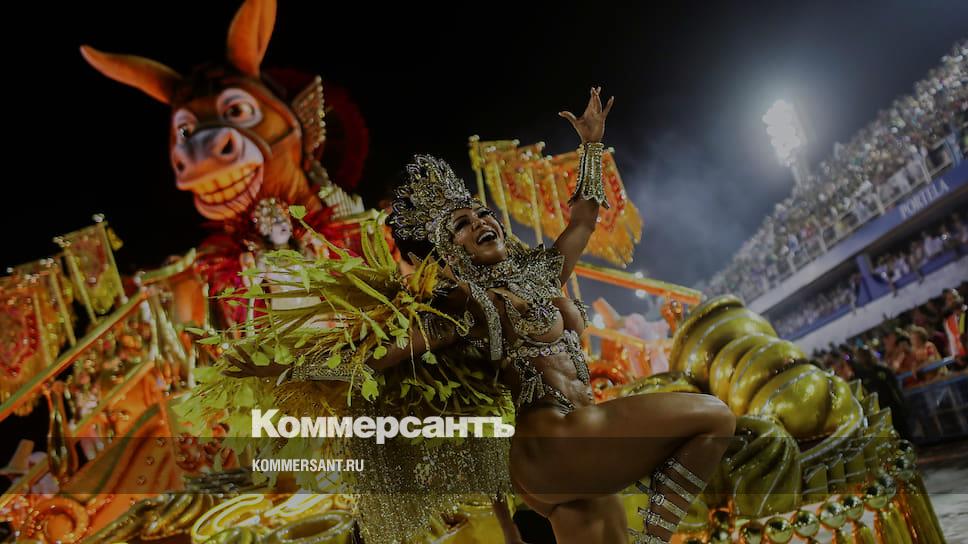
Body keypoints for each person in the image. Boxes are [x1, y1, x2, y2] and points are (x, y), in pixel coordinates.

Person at [223, 87, 736, 544]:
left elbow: (583, 218)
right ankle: (656, 537)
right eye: (461, 225)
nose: (480, 221)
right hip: (553, 445)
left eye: (481, 213)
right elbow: (380, 354)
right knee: (713, 417)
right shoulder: (465, 301)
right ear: (452, 252)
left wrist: (591, 146)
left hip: (572, 450)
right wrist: (283, 368)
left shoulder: (542, 272)